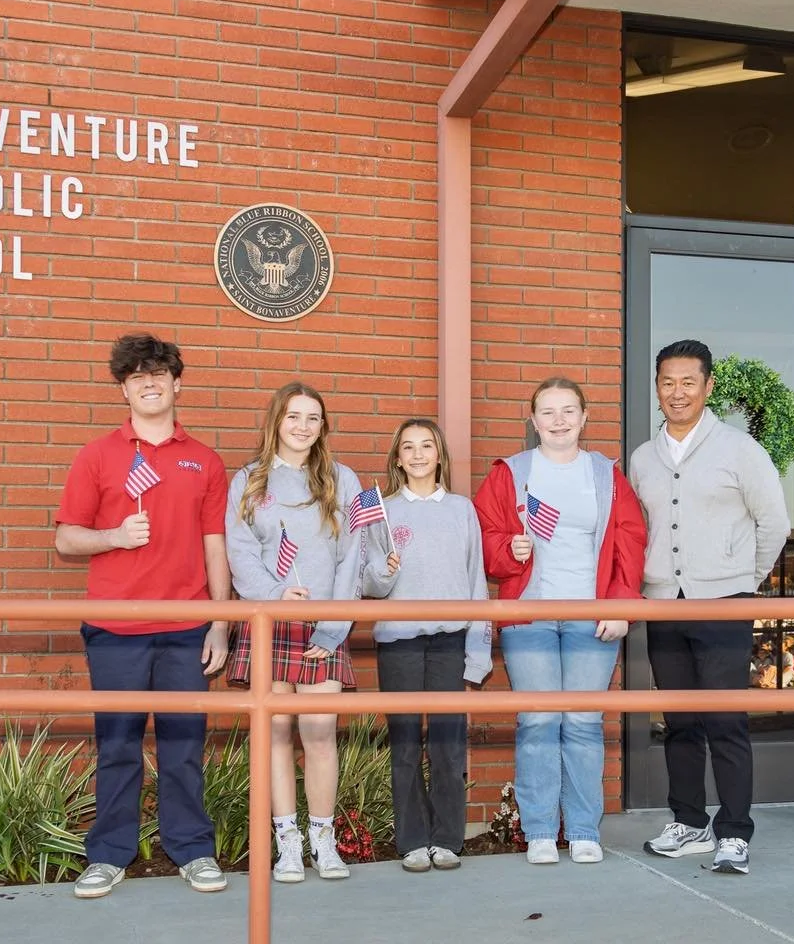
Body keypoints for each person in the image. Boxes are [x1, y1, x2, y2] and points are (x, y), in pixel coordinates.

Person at [53, 334, 230, 900]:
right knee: (118, 745)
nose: (148, 384)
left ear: (177, 383)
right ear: (123, 388)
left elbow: (215, 545)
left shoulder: (203, 459)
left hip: (185, 626)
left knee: (184, 747)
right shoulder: (98, 455)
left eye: (158, 374)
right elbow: (65, 539)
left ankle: (193, 849)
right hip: (115, 627)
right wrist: (114, 536)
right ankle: (108, 855)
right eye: (136, 377)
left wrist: (221, 621)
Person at [628, 339, 791, 876]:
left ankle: (735, 833)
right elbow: (641, 531)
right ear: (657, 389)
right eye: (668, 383)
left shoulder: (741, 450)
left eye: (688, 382)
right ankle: (689, 821)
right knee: (678, 721)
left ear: (708, 387)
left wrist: (742, 579)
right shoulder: (642, 458)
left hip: (724, 603)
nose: (677, 393)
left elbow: (774, 526)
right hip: (664, 606)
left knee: (725, 720)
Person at [473, 376, 647, 866]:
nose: (558, 421)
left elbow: (630, 540)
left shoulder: (606, 474)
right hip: (530, 615)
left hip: (591, 615)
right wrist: (509, 548)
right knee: (539, 720)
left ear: (584, 417)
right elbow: (484, 532)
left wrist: (620, 604)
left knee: (584, 722)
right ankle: (542, 831)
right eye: (547, 412)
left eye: (568, 410)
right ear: (533, 421)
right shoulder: (511, 472)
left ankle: (586, 828)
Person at [225, 382, 367, 884]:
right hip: (270, 621)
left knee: (320, 732)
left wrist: (332, 626)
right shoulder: (249, 478)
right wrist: (271, 599)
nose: (303, 426)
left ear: (323, 426)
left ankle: (324, 842)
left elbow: (354, 557)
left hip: (323, 625)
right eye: (293, 416)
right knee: (276, 733)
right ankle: (287, 843)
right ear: (276, 422)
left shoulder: (341, 479)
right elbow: (239, 552)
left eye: (313, 418)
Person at [362, 418, 493, 874]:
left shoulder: (462, 510)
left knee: (447, 742)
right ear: (397, 458)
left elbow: (477, 581)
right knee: (403, 741)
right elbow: (369, 583)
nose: (418, 455)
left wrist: (478, 652)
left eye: (427, 446)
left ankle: (447, 838)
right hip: (398, 639)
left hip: (449, 639)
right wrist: (385, 570)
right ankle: (413, 840)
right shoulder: (381, 511)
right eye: (408, 448)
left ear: (440, 455)